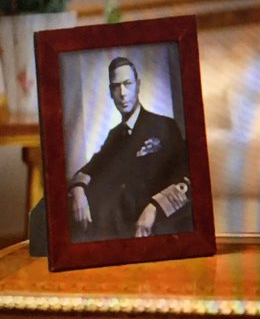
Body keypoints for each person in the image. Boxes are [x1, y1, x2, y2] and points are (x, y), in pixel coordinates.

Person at [68, 56, 193, 241]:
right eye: (116, 86)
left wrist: (154, 208)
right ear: (111, 92)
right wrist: (78, 192)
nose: (123, 93)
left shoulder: (164, 125)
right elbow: (89, 169)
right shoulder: (114, 135)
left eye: (127, 84)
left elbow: (186, 177)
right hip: (115, 229)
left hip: (155, 227)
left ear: (138, 85)